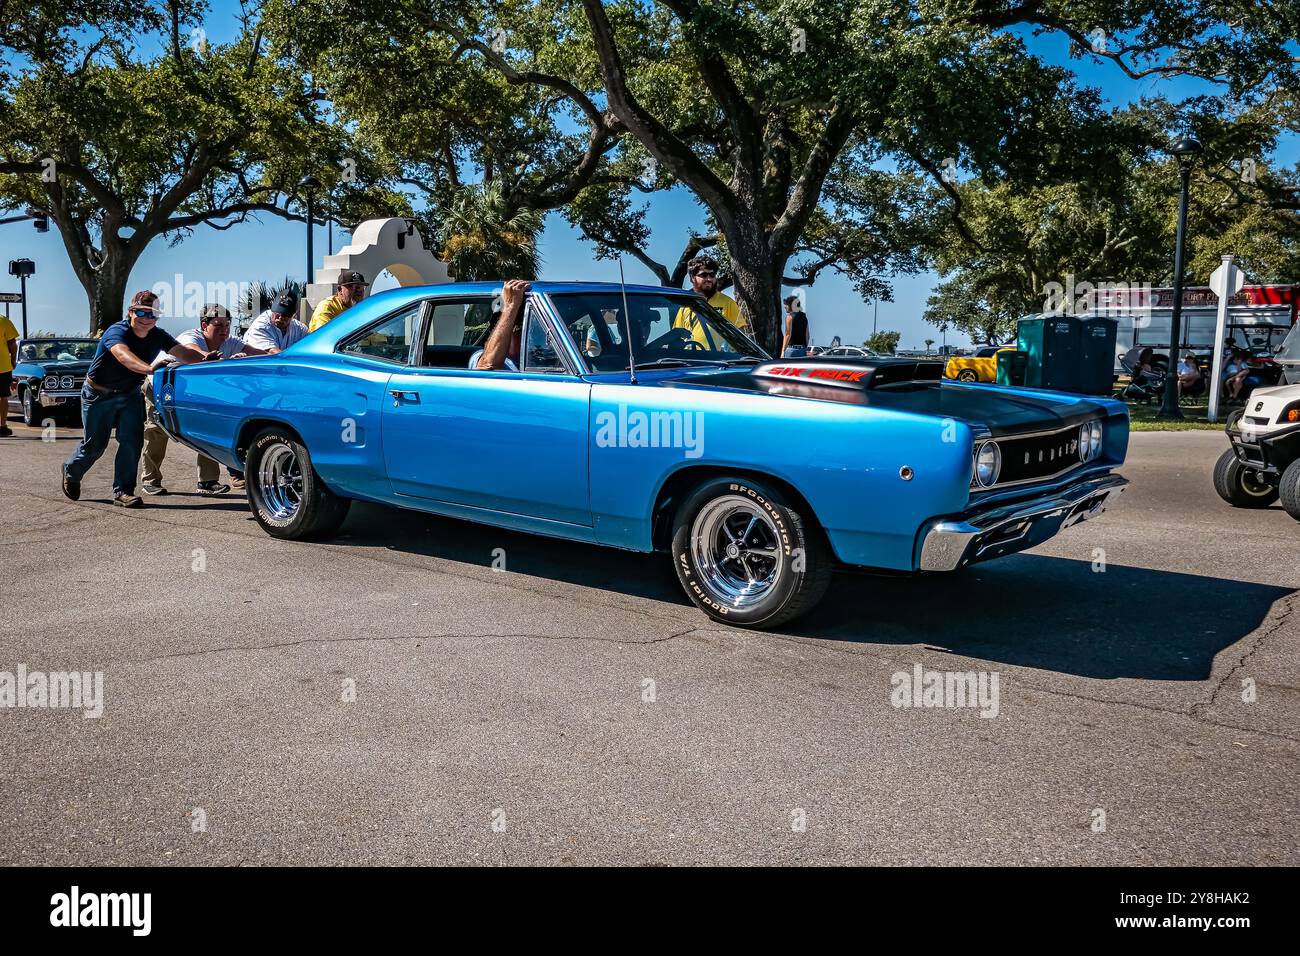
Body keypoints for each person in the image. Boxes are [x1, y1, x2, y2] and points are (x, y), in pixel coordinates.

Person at [62, 290, 214, 507]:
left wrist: (208, 360)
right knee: (95, 445)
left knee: (132, 441)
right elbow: (123, 356)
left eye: (152, 315)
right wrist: (149, 368)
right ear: (131, 312)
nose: (145, 319)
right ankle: (71, 470)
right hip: (99, 394)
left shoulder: (158, 335)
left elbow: (184, 353)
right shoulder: (116, 332)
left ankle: (123, 491)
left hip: (130, 393)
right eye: (141, 312)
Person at [141, 303, 243, 497]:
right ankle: (150, 480)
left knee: (208, 427)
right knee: (157, 430)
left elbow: (258, 352)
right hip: (162, 384)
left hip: (192, 388)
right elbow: (192, 353)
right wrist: (211, 358)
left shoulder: (230, 341)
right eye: (218, 325)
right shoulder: (191, 336)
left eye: (227, 324)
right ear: (204, 326)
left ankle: (207, 482)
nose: (224, 330)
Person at [672, 254, 750, 345]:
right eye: (703, 275)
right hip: (689, 357)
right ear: (692, 278)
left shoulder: (728, 303)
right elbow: (676, 337)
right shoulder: (685, 306)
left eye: (712, 275)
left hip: (719, 359)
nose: (709, 279)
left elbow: (742, 337)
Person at [473, 279, 529, 370]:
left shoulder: (536, 358)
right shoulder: (480, 356)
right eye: (517, 328)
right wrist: (510, 307)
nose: (522, 335)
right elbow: (486, 367)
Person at [241, 292, 308, 355]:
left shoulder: (301, 329)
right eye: (278, 313)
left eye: (286, 315)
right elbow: (272, 352)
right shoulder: (260, 325)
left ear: (294, 315)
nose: (280, 317)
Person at [0, 311, 18, 437]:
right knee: (3, 396)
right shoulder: (3, 320)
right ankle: (2, 426)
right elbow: (12, 343)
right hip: (2, 365)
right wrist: (13, 360)